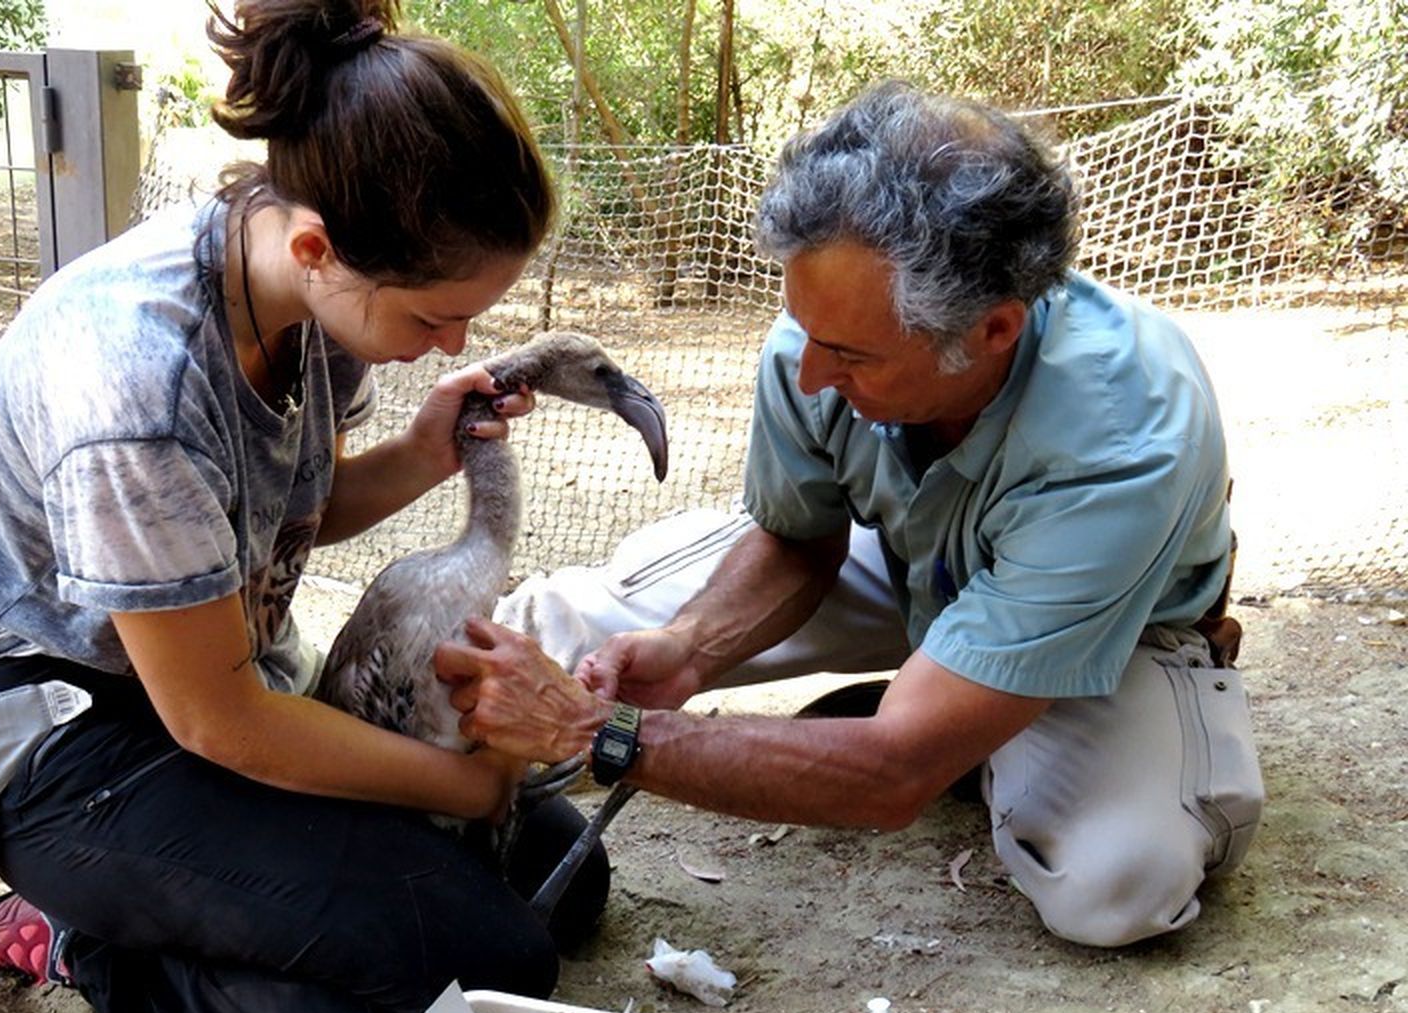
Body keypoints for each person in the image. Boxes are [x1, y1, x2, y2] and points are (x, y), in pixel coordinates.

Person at [0, 0, 608, 1013]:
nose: (451, 347)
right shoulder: (135, 382)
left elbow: (284, 517)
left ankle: (197, 908)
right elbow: (222, 722)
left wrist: (425, 455)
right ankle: (88, 949)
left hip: (202, 693)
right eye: (433, 318)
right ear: (317, 246)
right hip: (72, 745)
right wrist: (472, 781)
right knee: (491, 968)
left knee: (563, 878)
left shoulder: (311, 310)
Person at [437, 81, 1266, 949]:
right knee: (543, 639)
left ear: (992, 331)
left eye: (849, 355)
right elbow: (798, 541)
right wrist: (692, 646)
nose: (808, 378)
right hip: (903, 551)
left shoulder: (1125, 437)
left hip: (1100, 626)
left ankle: (973, 719)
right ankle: (947, 702)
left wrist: (596, 731)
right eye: (805, 331)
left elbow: (894, 777)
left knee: (1117, 883)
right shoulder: (821, 335)